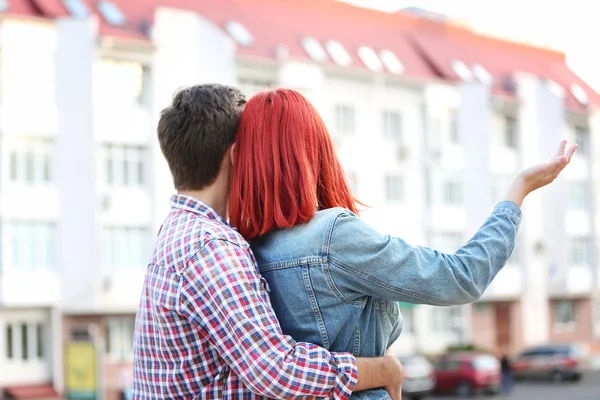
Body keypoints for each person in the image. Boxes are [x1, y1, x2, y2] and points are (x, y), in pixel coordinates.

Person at [228, 88, 577, 399]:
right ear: (313, 152)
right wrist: (516, 193)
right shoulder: (334, 237)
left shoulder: (240, 248)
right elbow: (461, 278)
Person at [131, 84, 403, 399]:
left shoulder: (178, 232)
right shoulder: (211, 247)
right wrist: (383, 370)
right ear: (237, 155)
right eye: (255, 146)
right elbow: (276, 371)